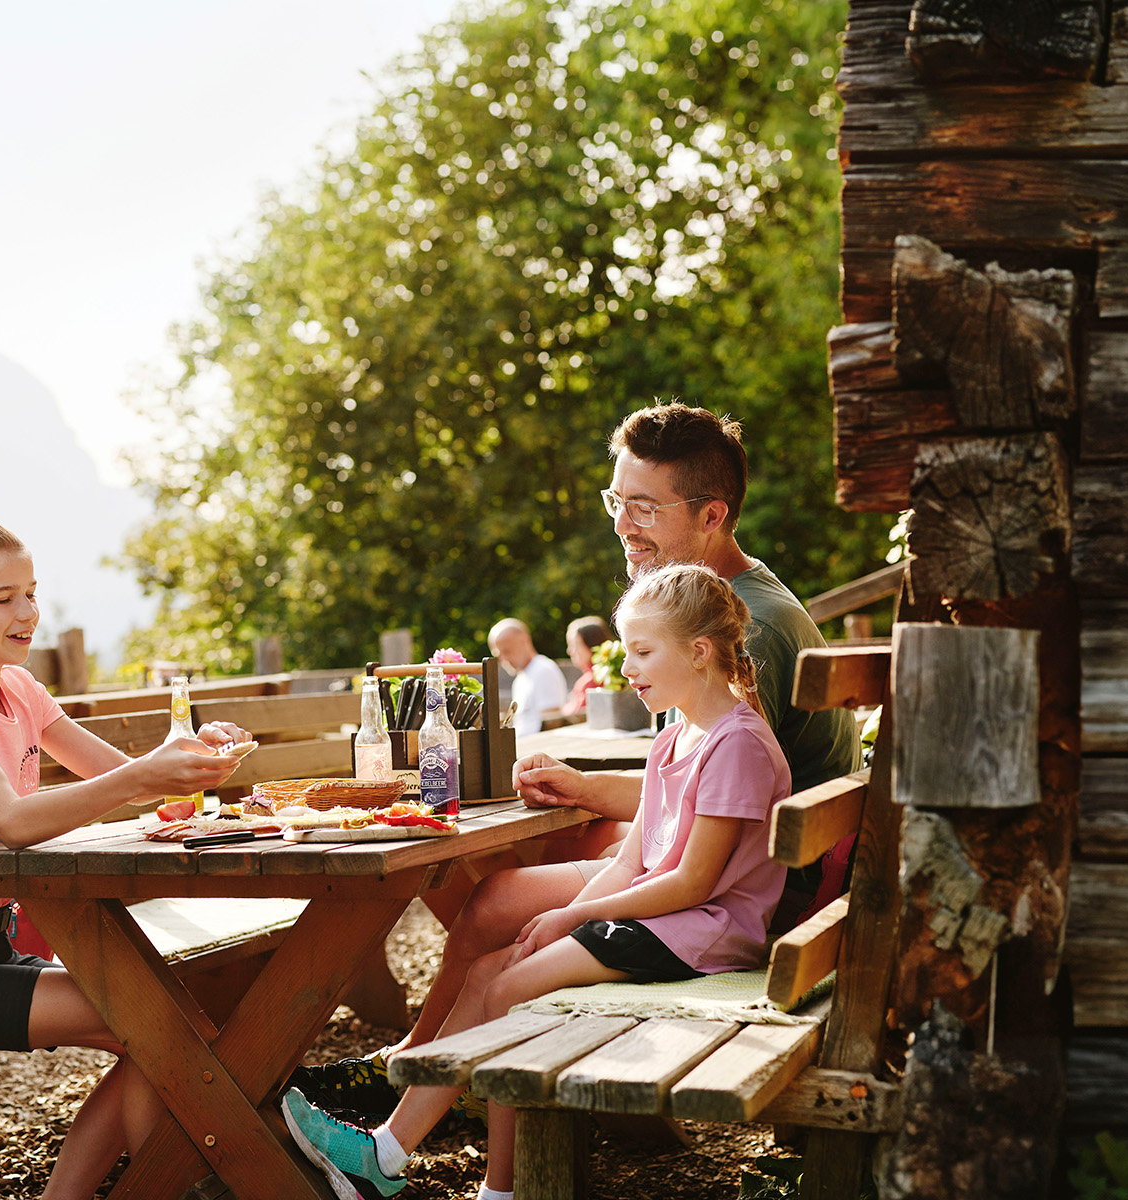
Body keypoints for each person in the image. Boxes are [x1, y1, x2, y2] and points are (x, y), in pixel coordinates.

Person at [289, 402, 860, 1116]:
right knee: (542, 860)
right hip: (750, 873)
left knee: (510, 889)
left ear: (712, 515)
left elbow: (715, 793)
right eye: (617, 501)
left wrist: (589, 799)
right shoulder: (726, 602)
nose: (622, 524)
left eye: (644, 507)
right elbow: (691, 782)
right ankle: (426, 1065)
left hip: (760, 904)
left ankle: (434, 1074)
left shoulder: (753, 632)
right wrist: (586, 786)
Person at [281, 563, 792, 1200]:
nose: (625, 669)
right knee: (487, 969)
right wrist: (561, 917)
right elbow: (630, 861)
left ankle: (501, 1190)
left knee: (509, 990)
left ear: (698, 651)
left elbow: (692, 883)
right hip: (661, 925)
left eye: (641, 652)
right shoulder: (674, 737)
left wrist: (571, 920)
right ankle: (384, 1155)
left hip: (703, 935)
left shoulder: (735, 743)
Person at [0, 519, 249, 1199]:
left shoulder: (19, 690)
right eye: (4, 598)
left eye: (32, 594)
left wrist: (192, 762)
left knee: (164, 1027)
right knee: (159, 1029)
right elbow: (10, 820)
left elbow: (130, 783)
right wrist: (144, 778)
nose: (29, 613)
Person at [488, 617, 568, 737]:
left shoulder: (543, 670)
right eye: (499, 655)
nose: (503, 660)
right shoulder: (521, 678)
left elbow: (552, 723)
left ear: (525, 641)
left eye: (507, 651)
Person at [558, 614, 613, 716]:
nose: (569, 651)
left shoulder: (592, 682)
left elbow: (574, 716)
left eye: (574, 645)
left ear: (591, 645)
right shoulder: (605, 674)